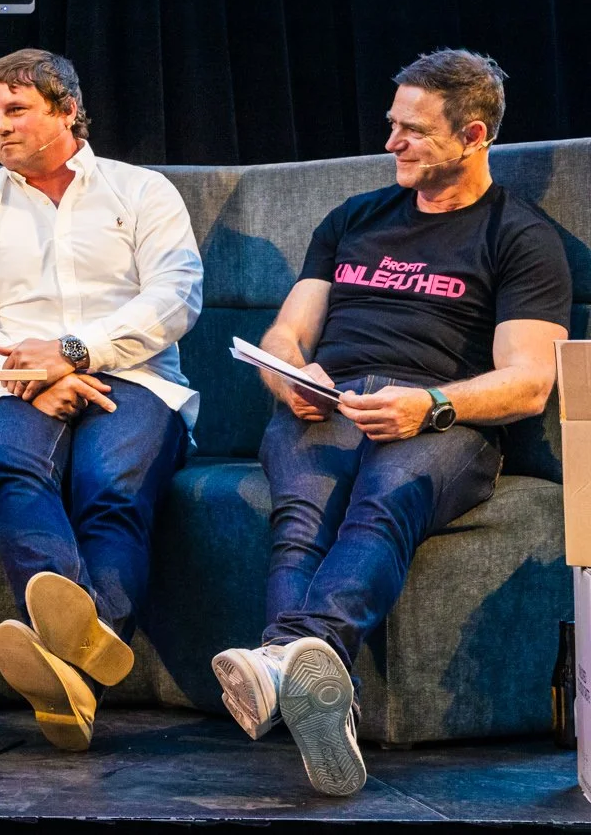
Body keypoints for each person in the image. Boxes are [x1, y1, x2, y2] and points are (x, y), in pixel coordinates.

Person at [212, 50, 569, 796]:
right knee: (301, 519)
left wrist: (429, 405)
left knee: (382, 504)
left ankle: (284, 662)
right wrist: (289, 376)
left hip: (442, 419)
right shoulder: (355, 219)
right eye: (391, 125)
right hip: (334, 402)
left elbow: (531, 382)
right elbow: (287, 333)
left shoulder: (520, 236)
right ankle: (315, 690)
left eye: (412, 131)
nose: (391, 144)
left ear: (473, 136)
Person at [0, 49, 203, 752]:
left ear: (67, 110)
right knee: (11, 466)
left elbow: (175, 298)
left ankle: (72, 668)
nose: (0, 127)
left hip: (136, 376)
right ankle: (92, 654)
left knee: (109, 486)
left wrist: (79, 352)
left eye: (16, 110)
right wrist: (42, 370)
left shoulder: (141, 192)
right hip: (14, 380)